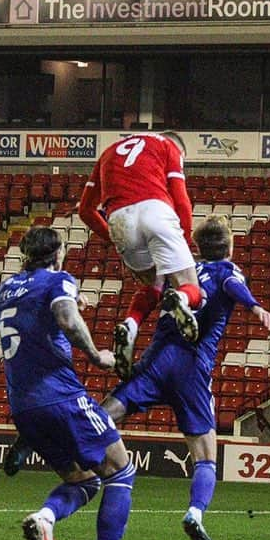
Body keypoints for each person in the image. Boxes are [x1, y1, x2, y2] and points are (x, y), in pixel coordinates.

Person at [103, 215, 270, 540]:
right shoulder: (228, 269)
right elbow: (232, 286)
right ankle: (195, 514)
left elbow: (149, 290)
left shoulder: (182, 270)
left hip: (157, 359)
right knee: (205, 456)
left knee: (104, 415)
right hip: (193, 369)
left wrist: (135, 319)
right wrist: (255, 306)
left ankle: (59, 437)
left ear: (197, 247)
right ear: (229, 246)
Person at [0, 227, 130, 540]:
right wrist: (97, 355)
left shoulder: (6, 288)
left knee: (84, 481)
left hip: (22, 405)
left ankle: (45, 517)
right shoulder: (60, 279)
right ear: (57, 255)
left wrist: (70, 298)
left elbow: (32, 311)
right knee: (121, 471)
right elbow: (67, 320)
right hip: (60, 395)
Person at [77, 131, 202, 376]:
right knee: (190, 287)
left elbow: (85, 210)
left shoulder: (108, 153)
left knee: (153, 283)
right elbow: (181, 200)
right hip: (155, 208)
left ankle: (131, 325)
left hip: (119, 218)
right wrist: (185, 240)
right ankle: (182, 299)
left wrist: (113, 239)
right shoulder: (168, 146)